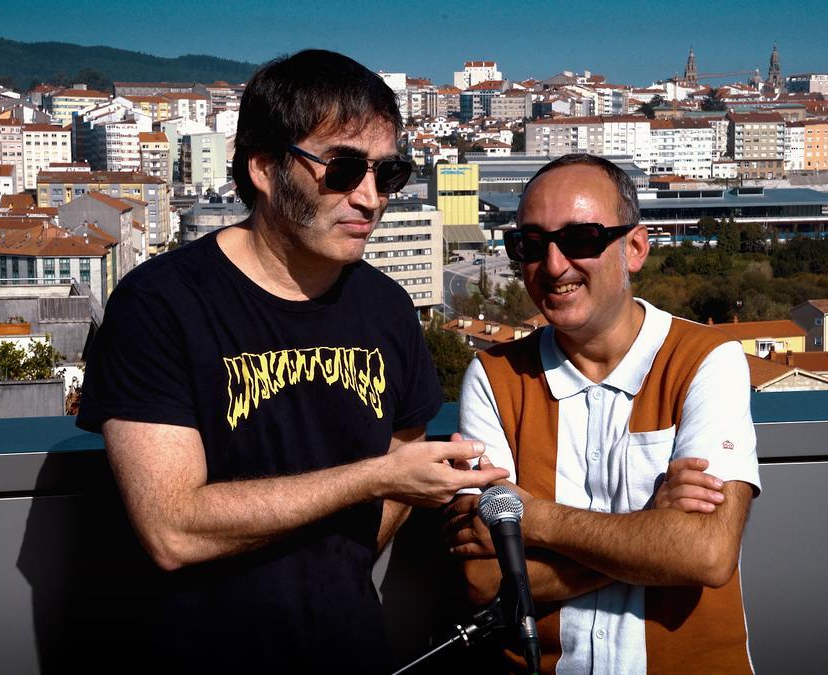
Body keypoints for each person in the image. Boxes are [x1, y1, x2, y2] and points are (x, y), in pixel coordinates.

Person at [76, 49, 507, 673]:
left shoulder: (386, 308)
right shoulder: (161, 305)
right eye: (343, 168)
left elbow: (404, 441)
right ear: (264, 167)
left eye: (387, 174)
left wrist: (343, 563)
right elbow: (171, 529)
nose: (370, 199)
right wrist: (373, 479)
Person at [445, 154, 761, 674]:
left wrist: (534, 520)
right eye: (530, 244)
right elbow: (485, 579)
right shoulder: (494, 377)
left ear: (634, 248)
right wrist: (651, 532)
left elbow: (706, 555)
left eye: (582, 239)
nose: (553, 265)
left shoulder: (707, 359)